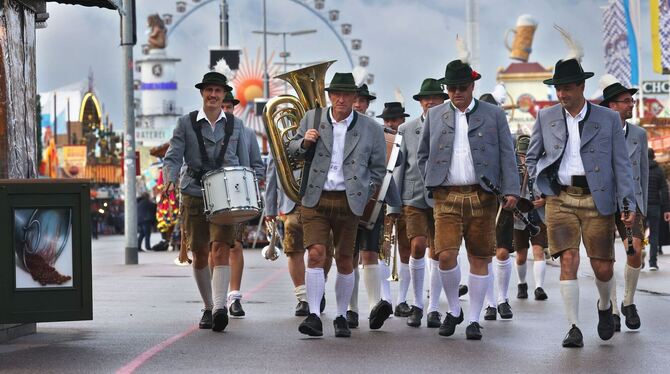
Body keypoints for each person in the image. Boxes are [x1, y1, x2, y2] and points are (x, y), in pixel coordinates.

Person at [526, 58, 636, 348]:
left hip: (597, 199)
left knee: (603, 267)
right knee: (568, 259)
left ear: (581, 86)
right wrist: (542, 186)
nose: (561, 94)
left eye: (566, 88)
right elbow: (531, 157)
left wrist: (628, 204)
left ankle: (603, 306)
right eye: (558, 89)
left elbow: (622, 165)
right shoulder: (545, 117)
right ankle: (573, 326)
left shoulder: (608, 118)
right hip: (559, 199)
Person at [417, 60, 519, 340]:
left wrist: (511, 189)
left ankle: (474, 319)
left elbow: (507, 154)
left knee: (479, 257)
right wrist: (431, 180)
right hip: (446, 196)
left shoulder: (494, 115)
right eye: (451, 88)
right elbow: (422, 154)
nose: (456, 92)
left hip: (482, 195)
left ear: (472, 86)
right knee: (445, 255)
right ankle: (453, 309)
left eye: (461, 87)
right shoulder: (435, 114)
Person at [288, 72, 386, 337]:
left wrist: (365, 192)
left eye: (346, 94)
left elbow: (378, 169)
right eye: (336, 94)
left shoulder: (372, 128)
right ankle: (314, 315)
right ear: (330, 96)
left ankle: (342, 315)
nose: (341, 99)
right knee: (317, 254)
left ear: (356, 98)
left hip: (349, 200)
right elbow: (291, 150)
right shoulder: (312, 118)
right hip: (316, 199)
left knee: (345, 260)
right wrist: (303, 142)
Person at [163, 71, 255, 333]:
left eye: (218, 91)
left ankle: (219, 308)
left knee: (220, 249)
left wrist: (248, 191)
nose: (214, 95)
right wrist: (169, 178)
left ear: (224, 94)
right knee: (200, 252)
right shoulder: (185, 123)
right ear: (202, 93)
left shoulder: (236, 126)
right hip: (193, 192)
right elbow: (172, 157)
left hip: (226, 194)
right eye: (209, 90)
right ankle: (207, 306)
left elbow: (244, 161)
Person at [391, 79, 450, 328]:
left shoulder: (452, 126)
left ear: (442, 101)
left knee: (438, 252)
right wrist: (393, 205)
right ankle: (417, 304)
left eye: (435, 98)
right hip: (412, 196)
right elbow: (398, 168)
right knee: (417, 245)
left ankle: (433, 308)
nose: (429, 102)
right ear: (420, 103)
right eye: (425, 99)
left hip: (441, 198)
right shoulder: (406, 129)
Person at [348, 101, 405, 331]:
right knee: (348, 255)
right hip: (347, 197)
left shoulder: (375, 129)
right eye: (355, 100)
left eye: (362, 100)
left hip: (374, 198)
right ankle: (351, 309)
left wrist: (387, 139)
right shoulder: (338, 127)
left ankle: (374, 307)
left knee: (370, 251)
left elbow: (397, 159)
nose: (358, 104)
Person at [599, 80, 647, 331]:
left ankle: (629, 302)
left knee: (635, 250)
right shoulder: (597, 133)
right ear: (611, 106)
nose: (632, 105)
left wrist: (643, 207)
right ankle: (614, 309)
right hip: (604, 201)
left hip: (631, 201)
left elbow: (644, 174)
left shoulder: (639, 134)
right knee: (606, 258)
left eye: (632, 100)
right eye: (627, 101)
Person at [265, 156, 332, 316]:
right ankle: (303, 297)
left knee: (325, 249)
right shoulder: (281, 134)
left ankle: (318, 288)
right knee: (293, 249)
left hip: (321, 199)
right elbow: (272, 174)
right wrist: (270, 210)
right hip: (291, 202)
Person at [220, 91, 265, 317]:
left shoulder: (246, 133)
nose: (226, 110)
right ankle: (216, 298)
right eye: (223, 106)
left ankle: (235, 296)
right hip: (212, 195)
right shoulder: (203, 129)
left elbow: (258, 165)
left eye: (230, 106)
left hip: (237, 196)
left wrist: (252, 185)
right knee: (213, 248)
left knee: (235, 245)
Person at [645, 147, 670, 271]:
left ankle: (639, 258)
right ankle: (653, 262)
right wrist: (667, 209)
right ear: (654, 156)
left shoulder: (640, 169)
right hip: (655, 206)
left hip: (641, 207)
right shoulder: (659, 170)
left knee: (638, 234)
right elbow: (665, 190)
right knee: (654, 235)